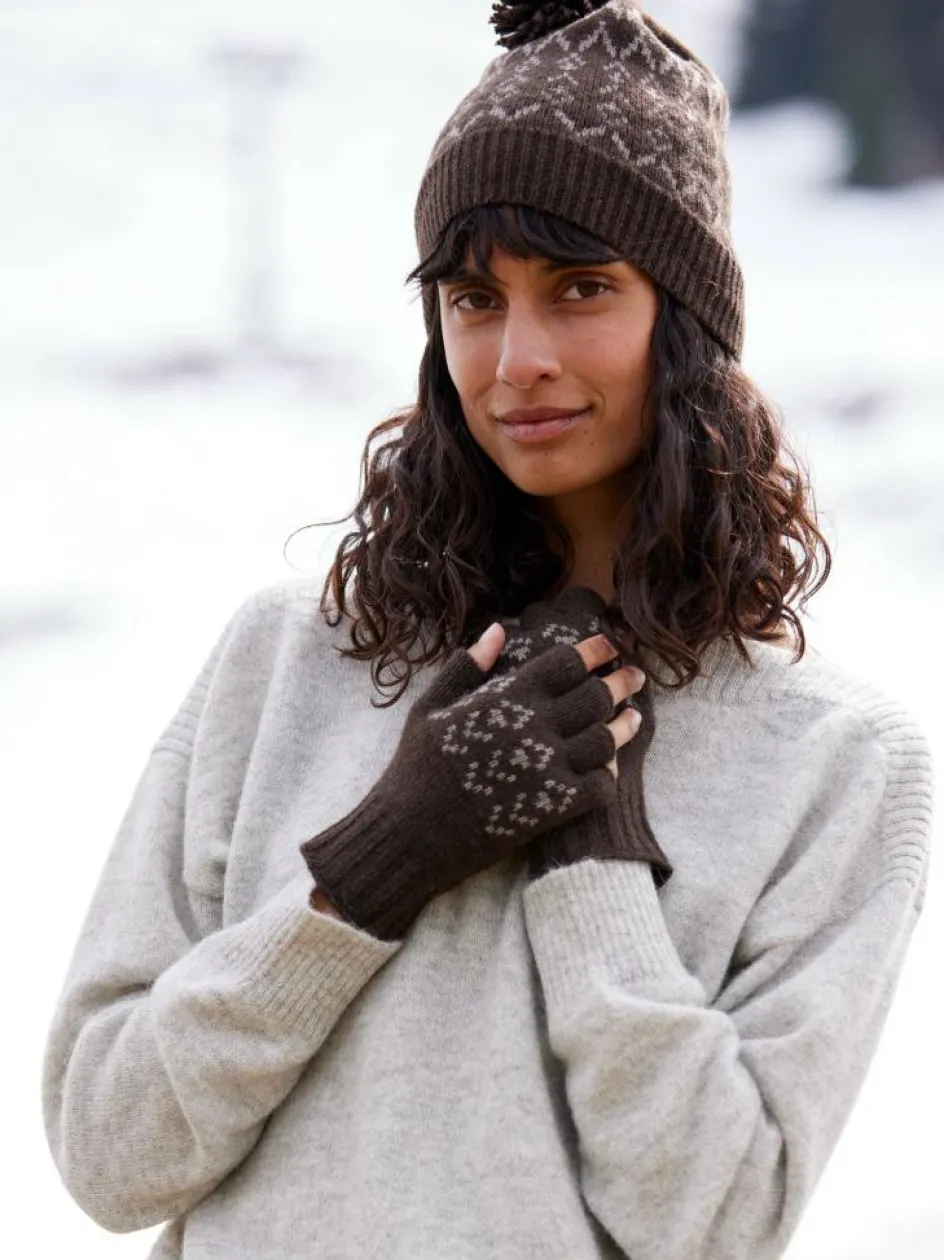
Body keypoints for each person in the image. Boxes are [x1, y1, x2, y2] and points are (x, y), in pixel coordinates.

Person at [42, 4, 934, 1258]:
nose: (516, 358)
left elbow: (714, 1222)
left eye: (580, 290)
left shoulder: (833, 760)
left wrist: (595, 862)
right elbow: (110, 1153)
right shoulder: (287, 665)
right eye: (473, 298)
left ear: (684, 322)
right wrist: (374, 866)